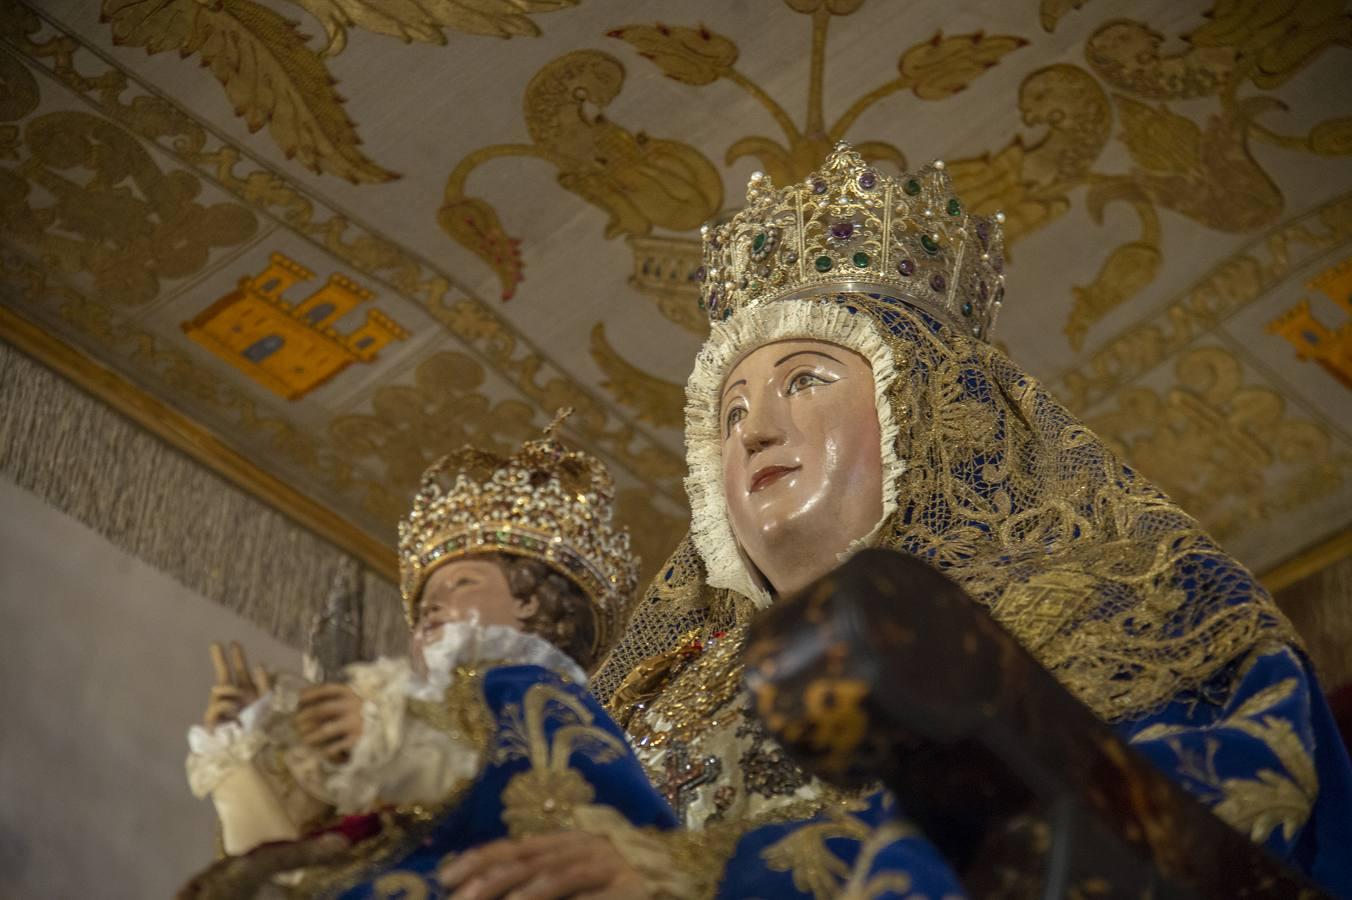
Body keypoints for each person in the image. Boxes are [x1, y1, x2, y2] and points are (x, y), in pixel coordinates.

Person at [442, 143, 1352, 898]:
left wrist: (713, 873)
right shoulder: (646, 693)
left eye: (805, 379)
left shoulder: (1124, 598)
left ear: (931, 411)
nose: (754, 429)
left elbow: (1208, 822)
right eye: (727, 414)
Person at [182, 419, 716, 898]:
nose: (431, 604)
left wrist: (394, 743)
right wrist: (239, 760)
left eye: (462, 581)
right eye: (422, 601)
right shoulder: (400, 729)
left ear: (531, 602)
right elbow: (290, 871)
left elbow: (546, 795)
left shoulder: (528, 690)